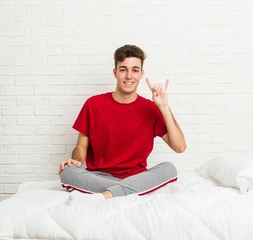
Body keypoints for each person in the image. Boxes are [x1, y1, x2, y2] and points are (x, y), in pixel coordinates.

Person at [58, 44, 186, 204]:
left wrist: (164, 107)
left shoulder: (150, 109)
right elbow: (81, 147)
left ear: (141, 74)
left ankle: (104, 196)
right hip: (99, 176)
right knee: (68, 171)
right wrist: (75, 161)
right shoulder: (93, 104)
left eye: (135, 70)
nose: (129, 76)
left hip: (137, 176)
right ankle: (131, 190)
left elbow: (179, 147)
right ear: (115, 72)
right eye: (123, 69)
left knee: (169, 169)